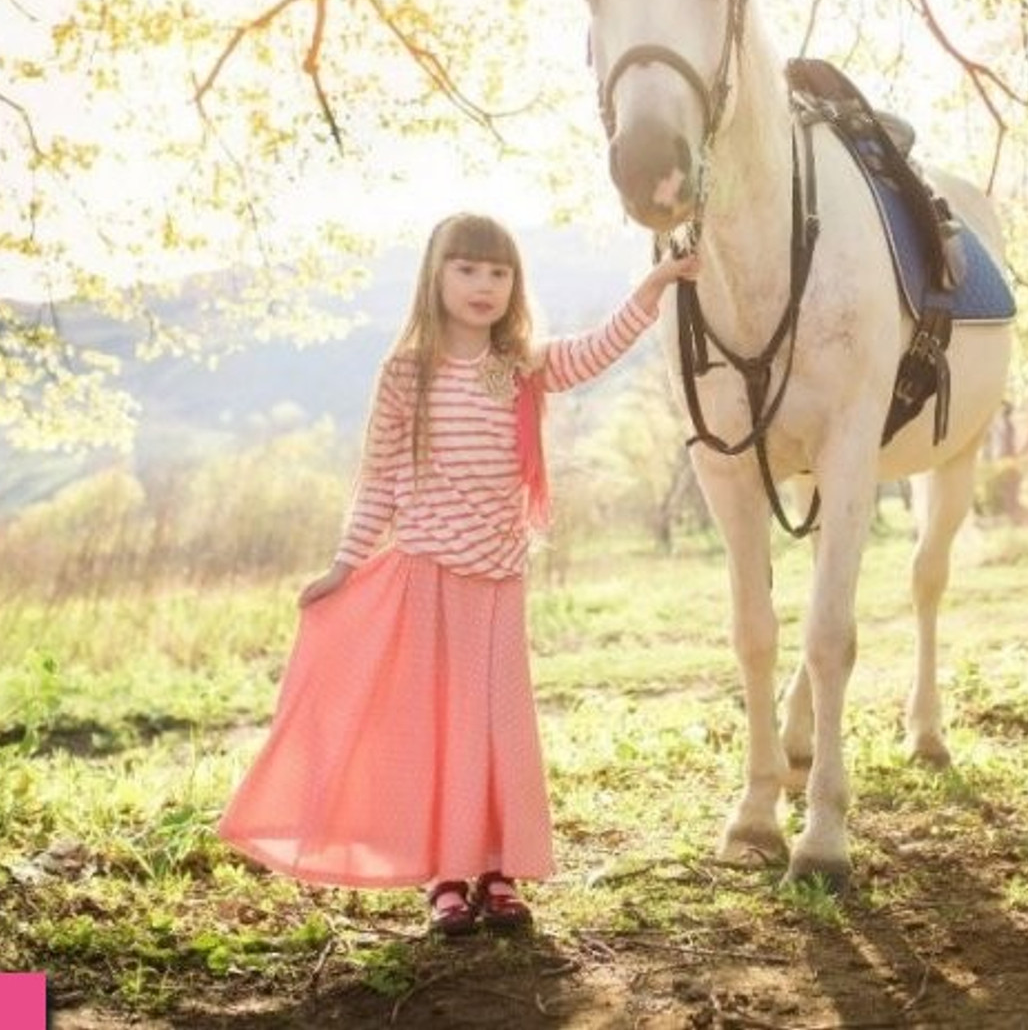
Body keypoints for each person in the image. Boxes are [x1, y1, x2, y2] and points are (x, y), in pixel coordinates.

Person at [216, 212, 696, 936]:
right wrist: (345, 564)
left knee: (499, 727)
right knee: (438, 729)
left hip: (498, 578)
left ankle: (498, 868)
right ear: (435, 276)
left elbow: (598, 349)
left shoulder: (516, 365)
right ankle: (444, 873)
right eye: (467, 269)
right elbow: (378, 477)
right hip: (427, 574)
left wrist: (657, 281)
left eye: (498, 272)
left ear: (514, 284)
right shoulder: (408, 369)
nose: (483, 285)